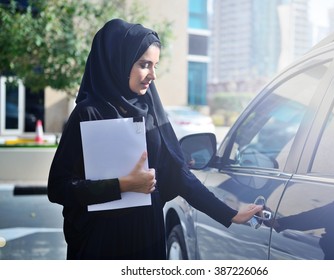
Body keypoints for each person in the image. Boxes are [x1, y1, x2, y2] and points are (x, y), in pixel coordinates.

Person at [47, 18, 261, 260]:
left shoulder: (151, 114)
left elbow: (180, 175)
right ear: (119, 61)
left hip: (146, 241)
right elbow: (59, 188)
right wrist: (124, 185)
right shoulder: (88, 114)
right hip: (99, 243)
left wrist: (230, 213)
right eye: (144, 64)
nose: (152, 75)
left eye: (155, 65)